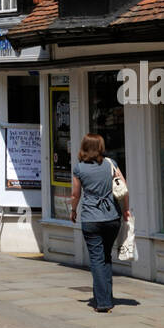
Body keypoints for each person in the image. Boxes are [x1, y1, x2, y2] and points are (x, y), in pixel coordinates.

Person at [70, 134, 129, 313]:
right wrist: (126, 210)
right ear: (101, 147)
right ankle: (105, 296)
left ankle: (103, 302)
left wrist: (73, 211)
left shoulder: (79, 168)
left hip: (91, 218)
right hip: (112, 217)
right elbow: (124, 188)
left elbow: (75, 194)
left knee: (96, 259)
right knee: (105, 257)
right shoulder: (111, 164)